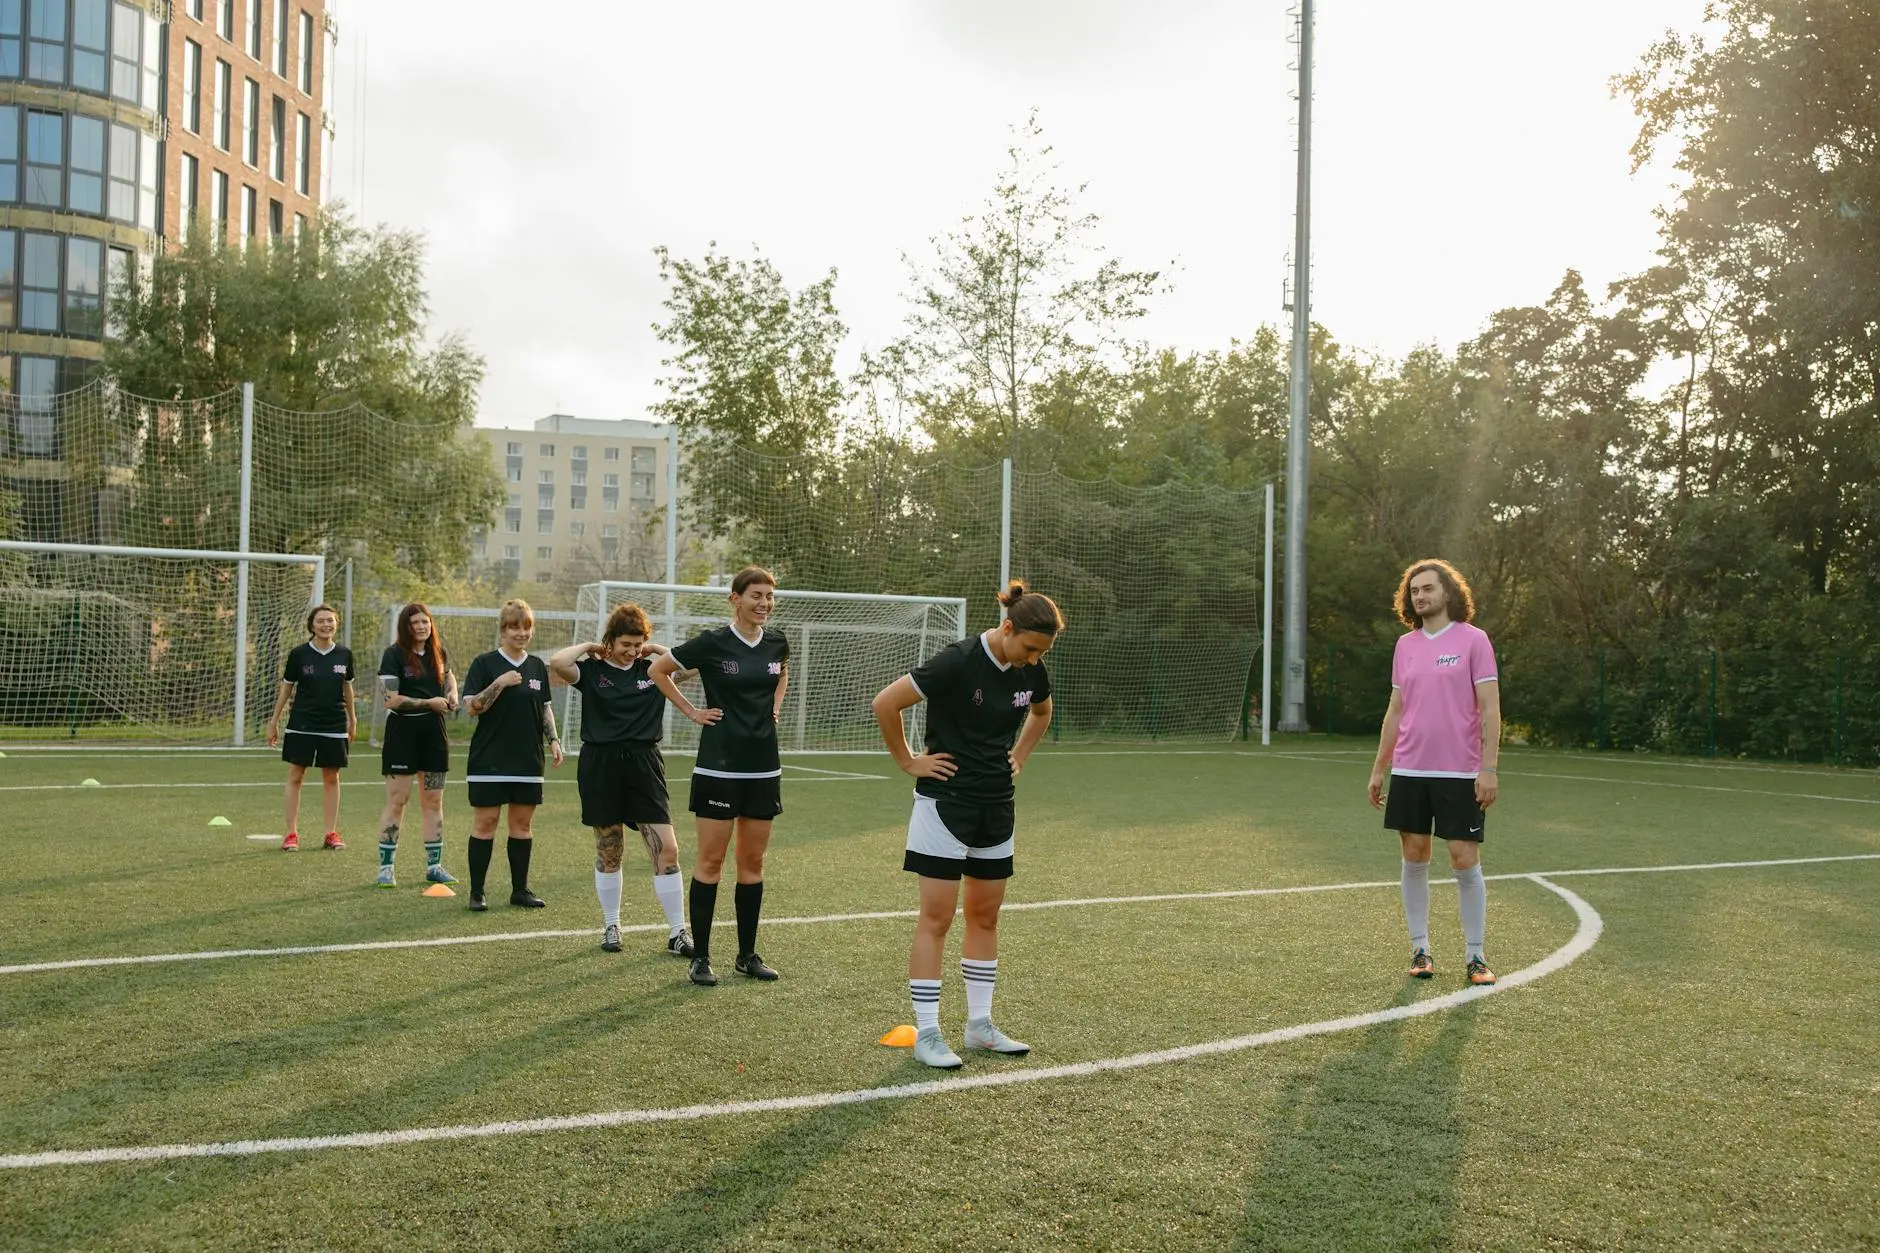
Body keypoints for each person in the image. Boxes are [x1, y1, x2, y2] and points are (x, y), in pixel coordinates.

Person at [871, 581, 1061, 1070]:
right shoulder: (957, 660)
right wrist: (909, 760)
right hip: (945, 805)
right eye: (1029, 648)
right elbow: (885, 703)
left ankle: (980, 1027)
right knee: (937, 918)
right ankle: (928, 1032)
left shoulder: (1032, 668)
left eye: (1042, 652)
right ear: (1008, 627)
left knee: (985, 916)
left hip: (997, 804)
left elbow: (1041, 710)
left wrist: (1020, 754)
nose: (1033, 660)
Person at [648, 566, 789, 987]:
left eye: (769, 597)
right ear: (735, 599)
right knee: (710, 861)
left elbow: (782, 673)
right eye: (756, 595)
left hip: (764, 767)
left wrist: (775, 708)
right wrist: (692, 712)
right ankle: (702, 958)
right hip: (718, 767)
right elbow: (658, 671)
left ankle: (747, 955)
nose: (763, 603)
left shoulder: (779, 643)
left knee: (753, 862)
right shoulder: (712, 642)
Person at [1367, 558, 1502, 986]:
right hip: (1409, 770)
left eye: (1428, 588)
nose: (1420, 595)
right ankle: (1420, 949)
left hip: (1460, 773)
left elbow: (1490, 709)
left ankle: (1476, 956)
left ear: (1448, 592)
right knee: (1414, 856)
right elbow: (1395, 710)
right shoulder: (1405, 646)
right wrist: (1379, 768)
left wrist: (1489, 767)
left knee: (1464, 859)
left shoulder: (1474, 640)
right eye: (1414, 591)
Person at [548, 603, 694, 957]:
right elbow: (557, 663)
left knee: (667, 847)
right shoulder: (593, 672)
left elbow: (691, 668)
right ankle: (611, 925)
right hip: (601, 763)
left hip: (645, 763)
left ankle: (678, 932)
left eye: (638, 643)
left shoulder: (654, 669)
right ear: (610, 640)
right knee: (609, 848)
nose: (632, 651)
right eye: (625, 644)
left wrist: (657, 649)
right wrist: (588, 647)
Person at [460, 599, 564, 911]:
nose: (521, 633)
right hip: (488, 759)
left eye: (526, 627)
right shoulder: (485, 664)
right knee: (486, 823)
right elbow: (472, 707)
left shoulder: (536, 667)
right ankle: (477, 893)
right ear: (503, 630)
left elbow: (545, 707)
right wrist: (500, 683)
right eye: (514, 627)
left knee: (521, 825)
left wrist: (554, 739)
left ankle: (520, 890)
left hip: (527, 759)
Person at [375, 602, 460, 889]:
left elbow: (449, 677)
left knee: (434, 801)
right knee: (398, 800)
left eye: (425, 622)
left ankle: (434, 866)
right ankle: (386, 869)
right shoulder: (393, 655)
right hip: (403, 733)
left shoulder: (439, 652)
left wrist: (452, 694)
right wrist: (428, 702)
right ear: (406, 627)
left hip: (434, 734)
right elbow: (391, 699)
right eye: (415, 623)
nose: (422, 627)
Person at [265, 604, 356, 853]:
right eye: (321, 621)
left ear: (336, 624)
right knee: (296, 775)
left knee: (331, 777)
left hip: (334, 723)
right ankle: (291, 834)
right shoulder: (298, 654)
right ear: (312, 626)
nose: (326, 625)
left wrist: (353, 718)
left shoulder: (345, 655)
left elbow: (347, 688)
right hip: (302, 723)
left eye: (330, 621)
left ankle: (330, 833)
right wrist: (274, 721)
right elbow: (286, 688)